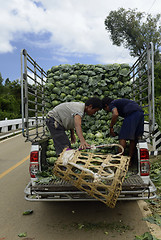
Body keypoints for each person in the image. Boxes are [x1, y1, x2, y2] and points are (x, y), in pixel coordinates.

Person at [102, 97, 144, 162]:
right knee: (133, 139)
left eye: (106, 109)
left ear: (106, 105)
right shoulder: (119, 102)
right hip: (140, 113)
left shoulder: (112, 104)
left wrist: (111, 127)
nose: (108, 111)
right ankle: (129, 160)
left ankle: (120, 159)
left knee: (122, 137)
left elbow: (115, 114)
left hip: (131, 113)